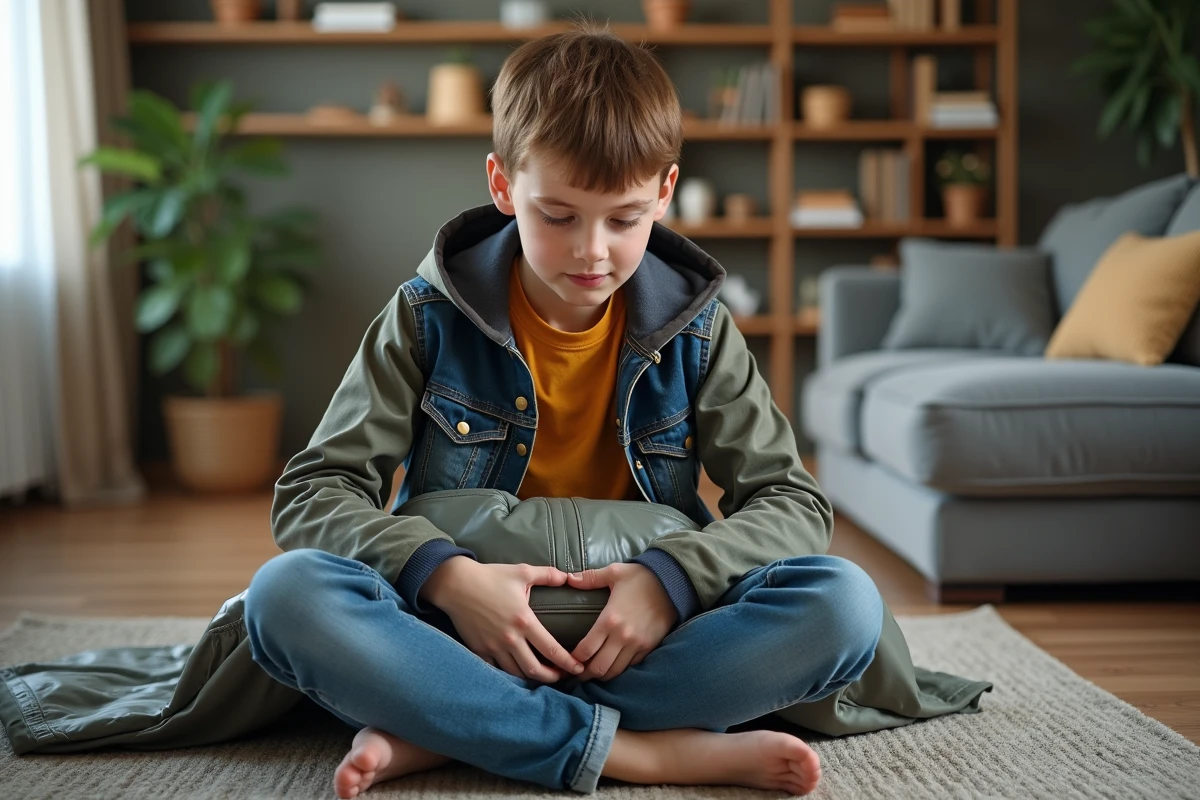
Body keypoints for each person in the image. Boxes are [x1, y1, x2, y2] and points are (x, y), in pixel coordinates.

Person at [242, 22, 884, 799]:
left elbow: (792, 503)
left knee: (844, 603)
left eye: (624, 219)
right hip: (460, 630)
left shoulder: (704, 331)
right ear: (503, 184)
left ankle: (458, 729)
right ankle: (642, 750)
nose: (592, 252)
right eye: (558, 215)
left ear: (666, 193)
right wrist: (444, 579)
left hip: (650, 631)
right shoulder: (422, 316)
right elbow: (314, 494)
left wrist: (673, 579)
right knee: (286, 596)